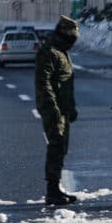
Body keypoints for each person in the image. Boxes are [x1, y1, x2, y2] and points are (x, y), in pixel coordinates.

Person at [34, 15, 80, 206]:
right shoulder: (50, 52)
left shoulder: (61, 51)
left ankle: (56, 188)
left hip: (62, 109)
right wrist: (52, 107)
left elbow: (63, 83)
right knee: (56, 146)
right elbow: (44, 83)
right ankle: (52, 190)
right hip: (53, 109)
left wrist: (70, 108)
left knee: (61, 148)